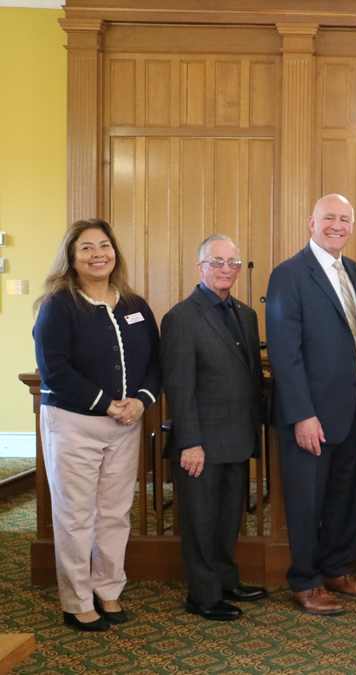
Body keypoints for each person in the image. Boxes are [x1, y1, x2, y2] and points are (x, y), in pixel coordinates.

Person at [33, 219, 161, 631]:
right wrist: (107, 404)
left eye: (104, 245)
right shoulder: (58, 305)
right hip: (74, 424)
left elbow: (155, 362)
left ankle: (108, 590)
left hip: (126, 425)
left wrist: (141, 401)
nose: (97, 254)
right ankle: (76, 601)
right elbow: (54, 370)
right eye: (86, 247)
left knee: (114, 514)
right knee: (75, 517)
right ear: (71, 257)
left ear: (115, 252)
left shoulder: (135, 305)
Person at [266, 194, 356, 616]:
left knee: (342, 498)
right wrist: (302, 415)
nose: (337, 225)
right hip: (310, 413)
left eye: (345, 219)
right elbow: (284, 352)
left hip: (350, 409)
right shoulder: (288, 274)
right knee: (306, 501)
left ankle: (336, 570)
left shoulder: (352, 270)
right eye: (328, 217)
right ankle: (305, 581)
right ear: (311, 223)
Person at [160, 234, 268, 621]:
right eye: (217, 262)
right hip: (200, 443)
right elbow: (179, 387)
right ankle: (202, 595)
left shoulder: (246, 314)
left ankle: (225, 582)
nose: (226, 269)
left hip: (238, 437)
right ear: (200, 267)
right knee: (201, 522)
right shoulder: (181, 317)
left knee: (227, 520)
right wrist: (190, 442)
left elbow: (250, 377)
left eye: (233, 263)